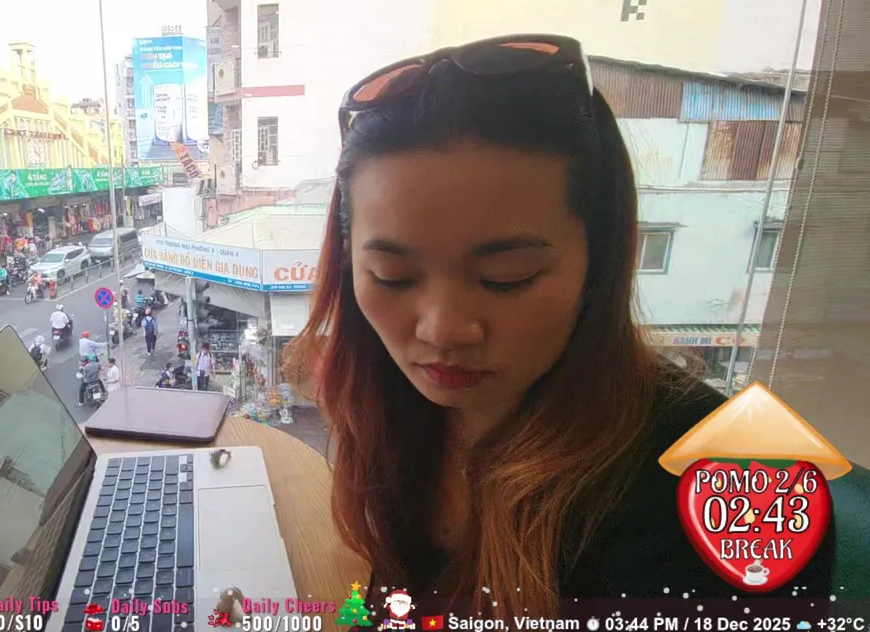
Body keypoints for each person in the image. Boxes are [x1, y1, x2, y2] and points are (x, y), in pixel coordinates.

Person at [283, 34, 835, 617]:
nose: (443, 331)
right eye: (392, 276)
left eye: (507, 277)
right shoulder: (387, 399)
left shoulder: (740, 492)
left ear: (602, 259)